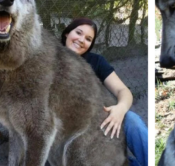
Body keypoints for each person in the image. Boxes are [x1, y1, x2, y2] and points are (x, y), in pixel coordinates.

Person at [61, 18, 148, 166]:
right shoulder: (48, 59)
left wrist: (120, 109)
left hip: (100, 120)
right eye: (78, 33)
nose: (82, 40)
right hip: (67, 129)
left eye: (88, 39)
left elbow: (123, 90)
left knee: (132, 121)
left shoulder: (96, 61)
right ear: (67, 33)